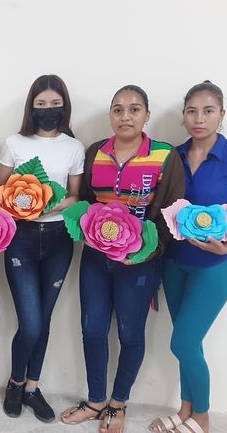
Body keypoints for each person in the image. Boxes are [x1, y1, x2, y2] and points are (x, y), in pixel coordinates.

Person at [60, 85, 184, 433]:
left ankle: (118, 404)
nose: (125, 116)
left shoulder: (164, 155)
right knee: (92, 329)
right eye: (118, 109)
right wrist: (84, 230)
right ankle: (96, 401)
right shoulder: (95, 152)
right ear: (111, 115)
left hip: (139, 264)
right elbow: (85, 204)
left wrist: (147, 251)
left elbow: (172, 211)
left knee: (130, 333)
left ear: (147, 115)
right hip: (95, 259)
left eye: (134, 109)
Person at [148, 81, 227, 433]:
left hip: (214, 268)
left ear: (221, 115)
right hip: (174, 263)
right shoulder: (172, 156)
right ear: (183, 116)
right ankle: (185, 410)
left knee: (183, 342)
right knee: (187, 342)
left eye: (208, 111)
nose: (199, 118)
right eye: (191, 111)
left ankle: (203, 418)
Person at [0, 75, 84, 423]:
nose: (48, 110)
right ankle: (15, 382)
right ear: (31, 107)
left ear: (64, 107)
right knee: (30, 323)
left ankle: (32, 387)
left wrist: (50, 207)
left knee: (43, 320)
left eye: (54, 104)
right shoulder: (14, 143)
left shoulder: (74, 147)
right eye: (41, 104)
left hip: (59, 240)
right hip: (21, 239)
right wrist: (7, 204)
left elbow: (75, 195)